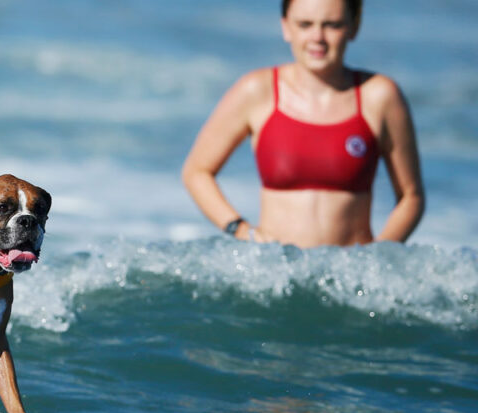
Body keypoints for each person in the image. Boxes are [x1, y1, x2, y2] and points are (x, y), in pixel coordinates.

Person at [181, 0, 424, 247]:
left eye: (332, 25)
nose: (317, 37)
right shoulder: (256, 91)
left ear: (354, 27)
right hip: (274, 271)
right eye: (305, 24)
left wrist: (377, 256)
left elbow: (411, 196)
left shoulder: (380, 96)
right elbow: (197, 172)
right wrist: (240, 229)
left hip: (348, 277)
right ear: (286, 27)